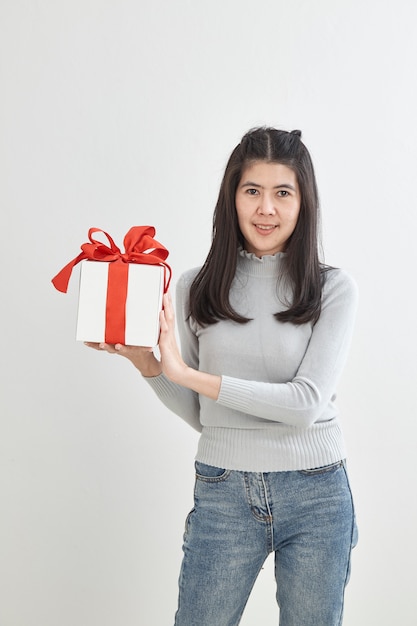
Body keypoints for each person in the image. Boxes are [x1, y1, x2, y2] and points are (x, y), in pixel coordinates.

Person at [87, 127, 358, 626]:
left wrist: (189, 374)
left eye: (283, 193)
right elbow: (203, 414)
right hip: (223, 490)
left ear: (304, 203)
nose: (266, 209)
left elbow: (304, 406)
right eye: (252, 191)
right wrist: (148, 365)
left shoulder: (332, 289)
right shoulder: (195, 286)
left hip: (317, 493)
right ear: (231, 197)